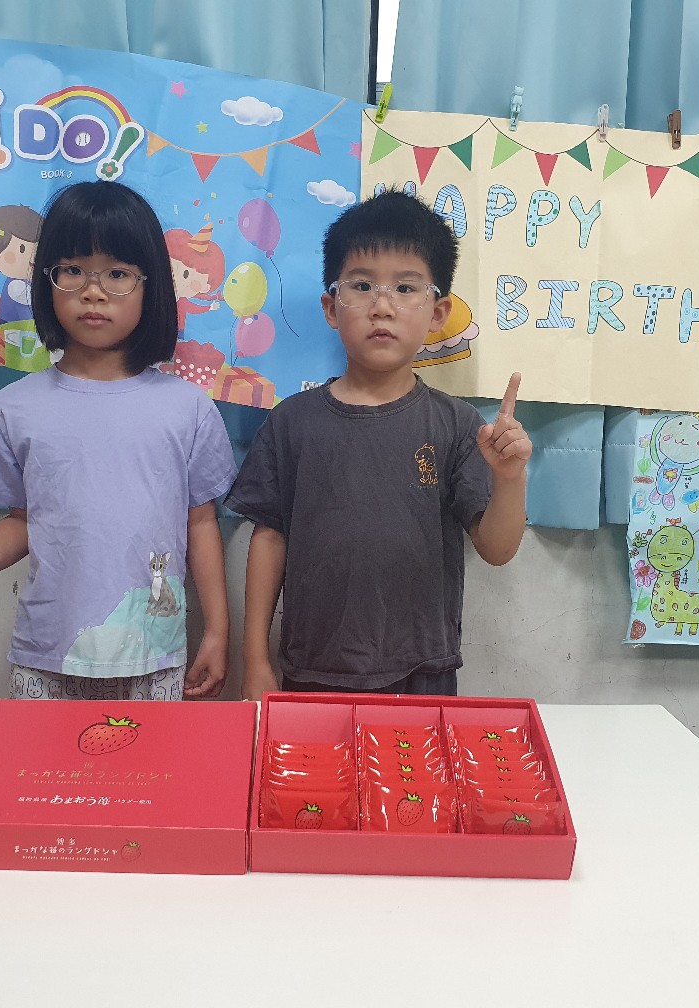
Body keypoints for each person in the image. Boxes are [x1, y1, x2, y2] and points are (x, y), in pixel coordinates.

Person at [0, 181, 236, 702]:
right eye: (73, 270)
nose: (93, 291)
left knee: (148, 761)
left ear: (152, 288)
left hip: (153, 657)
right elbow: (22, 524)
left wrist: (217, 630)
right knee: (39, 761)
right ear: (45, 280)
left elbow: (201, 522)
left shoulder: (187, 408)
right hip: (45, 659)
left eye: (118, 274)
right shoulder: (14, 409)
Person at [225, 188, 531, 699]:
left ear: (438, 312)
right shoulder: (291, 423)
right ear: (331, 307)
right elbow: (269, 539)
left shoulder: (457, 425)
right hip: (312, 670)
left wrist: (509, 478)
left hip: (424, 673)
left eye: (406, 288)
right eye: (362, 286)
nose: (382, 306)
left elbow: (497, 550)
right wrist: (254, 659)